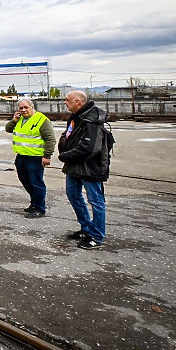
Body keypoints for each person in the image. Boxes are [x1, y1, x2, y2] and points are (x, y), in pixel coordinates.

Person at [58, 90, 110, 249]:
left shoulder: (91, 120)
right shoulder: (75, 118)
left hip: (90, 167)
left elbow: (89, 148)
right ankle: (86, 228)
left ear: (78, 102)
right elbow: (66, 137)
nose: (65, 102)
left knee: (96, 201)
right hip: (75, 165)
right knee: (72, 194)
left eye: (67, 100)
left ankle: (97, 236)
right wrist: (64, 149)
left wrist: (66, 156)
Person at [5, 98, 56, 218]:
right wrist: (14, 120)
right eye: (21, 108)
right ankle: (34, 203)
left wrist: (47, 156)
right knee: (25, 181)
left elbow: (50, 139)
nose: (23, 110)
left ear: (32, 107)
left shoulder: (42, 120)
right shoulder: (20, 119)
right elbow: (8, 129)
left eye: (26, 107)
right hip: (21, 156)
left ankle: (39, 208)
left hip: (35, 157)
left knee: (37, 183)